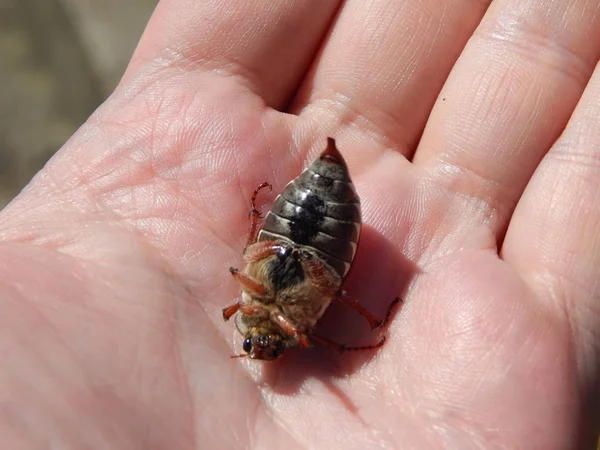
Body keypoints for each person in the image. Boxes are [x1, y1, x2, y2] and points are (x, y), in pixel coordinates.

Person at [0, 1, 598, 448]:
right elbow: (307, 314)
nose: (259, 342)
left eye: (256, 339)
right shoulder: (302, 329)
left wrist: (262, 275)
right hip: (321, 238)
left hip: (291, 225)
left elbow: (247, 273)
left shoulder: (248, 307)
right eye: (270, 344)